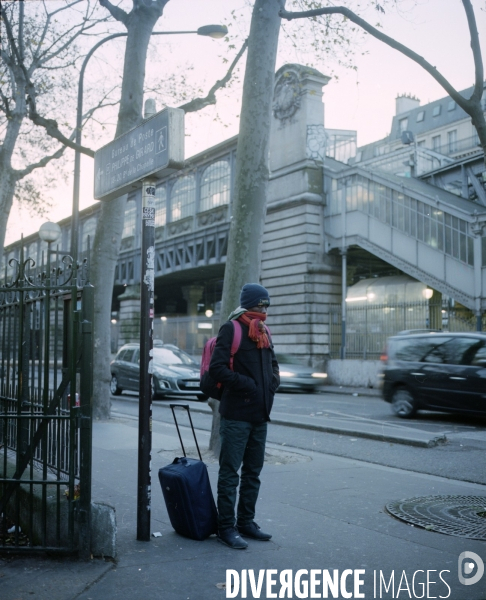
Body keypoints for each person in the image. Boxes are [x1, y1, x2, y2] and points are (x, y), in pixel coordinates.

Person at [208, 283, 280, 549]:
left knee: (253, 472)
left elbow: (273, 363)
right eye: (260, 305)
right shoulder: (232, 328)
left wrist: (273, 383)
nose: (263, 309)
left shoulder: (263, 330)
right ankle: (225, 527)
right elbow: (217, 368)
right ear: (249, 304)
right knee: (230, 473)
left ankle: (246, 522)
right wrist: (247, 384)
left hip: (260, 414)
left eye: (266, 305)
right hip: (236, 414)